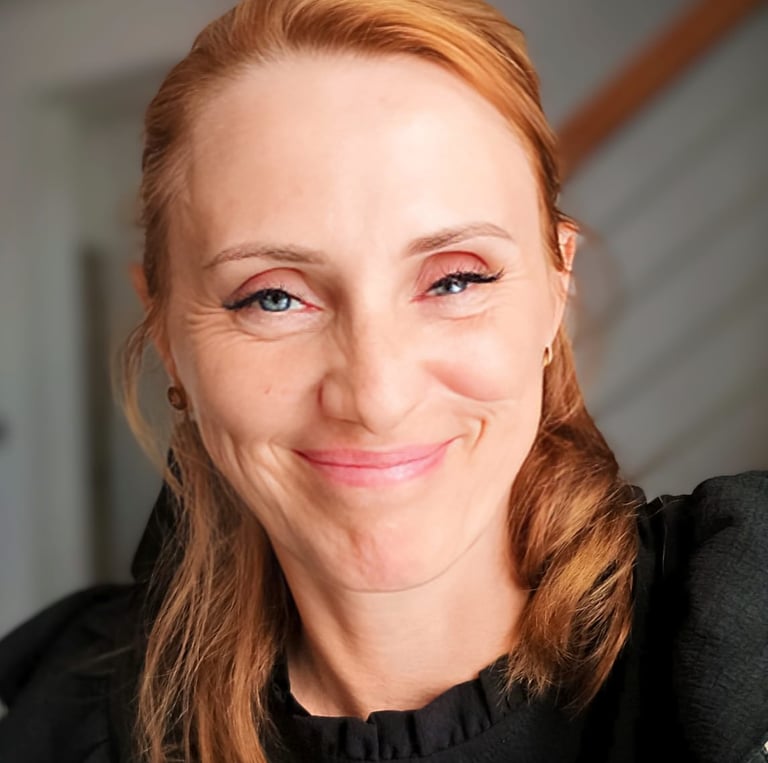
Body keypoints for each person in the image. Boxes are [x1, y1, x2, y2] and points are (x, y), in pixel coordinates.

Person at [0, 0, 766, 761]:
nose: (376, 398)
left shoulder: (739, 631)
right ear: (167, 334)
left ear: (557, 286)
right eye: (274, 296)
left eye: (456, 280)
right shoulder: (59, 720)